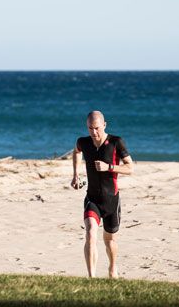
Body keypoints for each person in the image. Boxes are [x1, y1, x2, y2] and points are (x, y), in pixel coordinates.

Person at [71, 110, 134, 278]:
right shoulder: (83, 142)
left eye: (97, 128)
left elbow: (131, 168)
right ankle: (91, 278)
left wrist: (110, 167)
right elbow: (76, 152)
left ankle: (113, 269)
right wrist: (76, 174)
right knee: (90, 233)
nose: (94, 132)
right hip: (92, 199)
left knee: (110, 240)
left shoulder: (116, 142)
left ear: (104, 125)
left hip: (112, 200)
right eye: (90, 128)